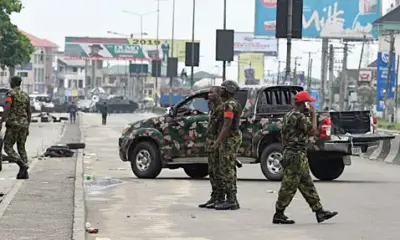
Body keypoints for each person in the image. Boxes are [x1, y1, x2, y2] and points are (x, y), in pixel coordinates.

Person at [273, 91, 338, 224]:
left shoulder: (288, 115)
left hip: (295, 154)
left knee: (307, 184)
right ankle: (279, 213)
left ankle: (319, 211)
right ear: (304, 104)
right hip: (295, 155)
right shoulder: (299, 117)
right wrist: (313, 114)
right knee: (289, 185)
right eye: (309, 102)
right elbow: (312, 130)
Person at [212, 80, 242, 211]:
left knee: (227, 169)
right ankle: (230, 198)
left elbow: (226, 125)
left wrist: (217, 141)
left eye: (223, 88)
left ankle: (231, 200)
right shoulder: (231, 104)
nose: (221, 90)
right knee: (228, 168)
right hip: (230, 139)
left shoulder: (229, 105)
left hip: (229, 140)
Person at [0, 76, 31, 179]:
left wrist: (2, 120)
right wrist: (28, 125)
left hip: (14, 124)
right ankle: (24, 173)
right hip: (24, 124)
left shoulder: (10, 94)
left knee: (8, 147)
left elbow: (7, 107)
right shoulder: (26, 95)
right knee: (21, 147)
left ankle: (22, 164)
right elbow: (29, 111)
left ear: (12, 83)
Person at [199, 86, 224, 209]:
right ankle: (214, 196)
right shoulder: (213, 108)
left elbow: (224, 128)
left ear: (219, 94)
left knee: (219, 171)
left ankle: (220, 197)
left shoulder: (222, 109)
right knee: (212, 171)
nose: (209, 95)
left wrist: (217, 142)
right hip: (211, 143)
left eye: (211, 92)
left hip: (217, 144)